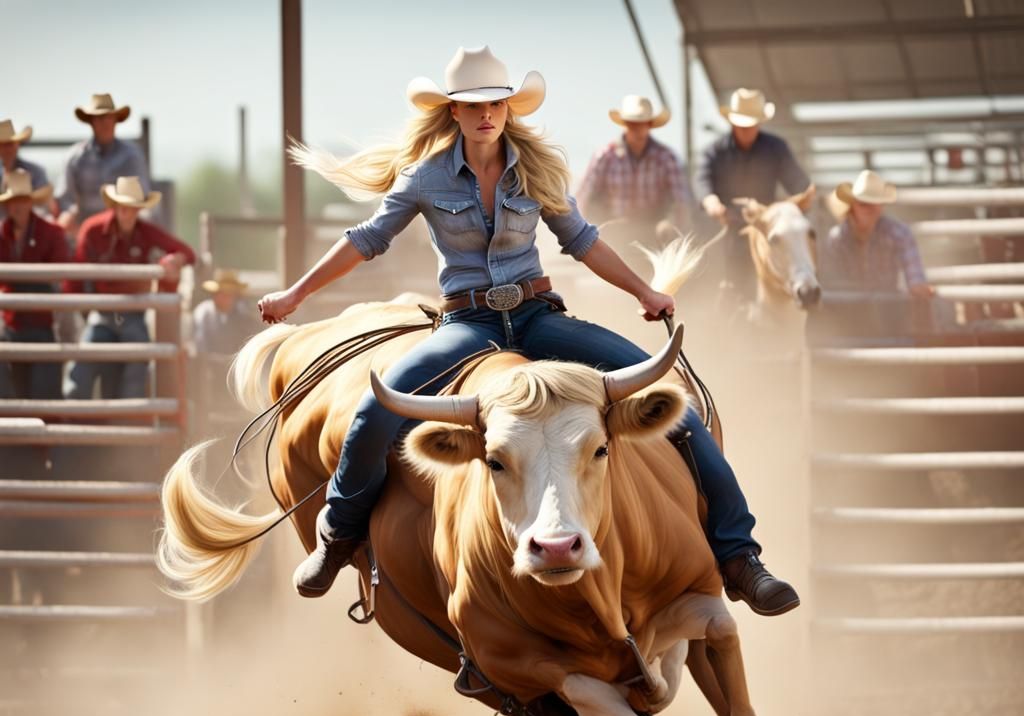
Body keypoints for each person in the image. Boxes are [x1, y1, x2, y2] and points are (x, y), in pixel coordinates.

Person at [258, 46, 799, 615]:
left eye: (496, 103)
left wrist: (644, 291)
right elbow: (367, 238)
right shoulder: (425, 176)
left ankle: (740, 559)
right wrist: (296, 294)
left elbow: (581, 240)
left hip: (539, 316)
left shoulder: (537, 170)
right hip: (469, 323)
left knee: (675, 401)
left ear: (509, 109)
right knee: (375, 412)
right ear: (453, 113)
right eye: (473, 106)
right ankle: (337, 534)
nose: (486, 114)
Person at [65, 176, 194, 400]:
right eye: (123, 207)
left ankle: (128, 427)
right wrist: (86, 310)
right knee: (79, 378)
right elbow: (73, 280)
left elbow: (188, 253)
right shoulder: (92, 230)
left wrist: (176, 259)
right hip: (101, 315)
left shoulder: (146, 232)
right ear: (114, 207)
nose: (127, 213)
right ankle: (78, 430)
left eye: (133, 208)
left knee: (135, 376)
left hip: (133, 316)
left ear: (139, 210)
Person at [696, 88, 810, 298]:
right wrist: (710, 200)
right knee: (712, 272)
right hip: (727, 227)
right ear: (732, 122)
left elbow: (798, 183)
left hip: (767, 229)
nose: (746, 130)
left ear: (760, 123)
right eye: (741, 125)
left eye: (750, 125)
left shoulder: (776, 148)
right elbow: (703, 180)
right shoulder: (715, 150)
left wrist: (798, 201)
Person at [576, 95, 693, 248]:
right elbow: (586, 196)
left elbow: (681, 201)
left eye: (641, 123)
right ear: (624, 124)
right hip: (614, 232)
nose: (636, 128)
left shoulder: (666, 157)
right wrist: (589, 232)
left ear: (649, 124)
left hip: (654, 231)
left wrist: (672, 225)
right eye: (632, 123)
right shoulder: (605, 156)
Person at [0, 169, 68, 399]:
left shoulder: (50, 232)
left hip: (40, 325)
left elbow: (60, 270)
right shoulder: (2, 234)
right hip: (10, 325)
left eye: (21, 200)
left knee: (42, 393)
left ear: (30, 202)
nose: (16, 207)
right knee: (10, 394)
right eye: (12, 201)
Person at [821, 170, 932, 297]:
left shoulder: (899, 233)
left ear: (881, 205)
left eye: (875, 203)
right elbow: (831, 281)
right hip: (848, 309)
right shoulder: (837, 238)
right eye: (864, 203)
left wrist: (917, 286)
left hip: (887, 307)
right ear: (853, 206)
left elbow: (915, 276)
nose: (870, 208)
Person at [55, 94, 150, 234]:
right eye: (100, 118)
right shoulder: (75, 157)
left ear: (115, 120)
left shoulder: (131, 155)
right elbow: (65, 198)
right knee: (62, 223)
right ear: (91, 122)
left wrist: (121, 211)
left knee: (148, 216)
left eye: (109, 117)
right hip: (84, 221)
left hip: (123, 215)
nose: (105, 122)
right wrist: (69, 213)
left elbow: (141, 192)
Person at [191, 269, 259, 357]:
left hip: (235, 364)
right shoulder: (203, 314)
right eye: (222, 293)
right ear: (215, 294)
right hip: (209, 364)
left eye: (230, 294)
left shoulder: (243, 314)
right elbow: (200, 345)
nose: (226, 298)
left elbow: (249, 341)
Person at [0, 120, 49, 201]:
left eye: (10, 144)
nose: (7, 149)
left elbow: (43, 203)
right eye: (3, 144)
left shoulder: (36, 171)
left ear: (18, 144)